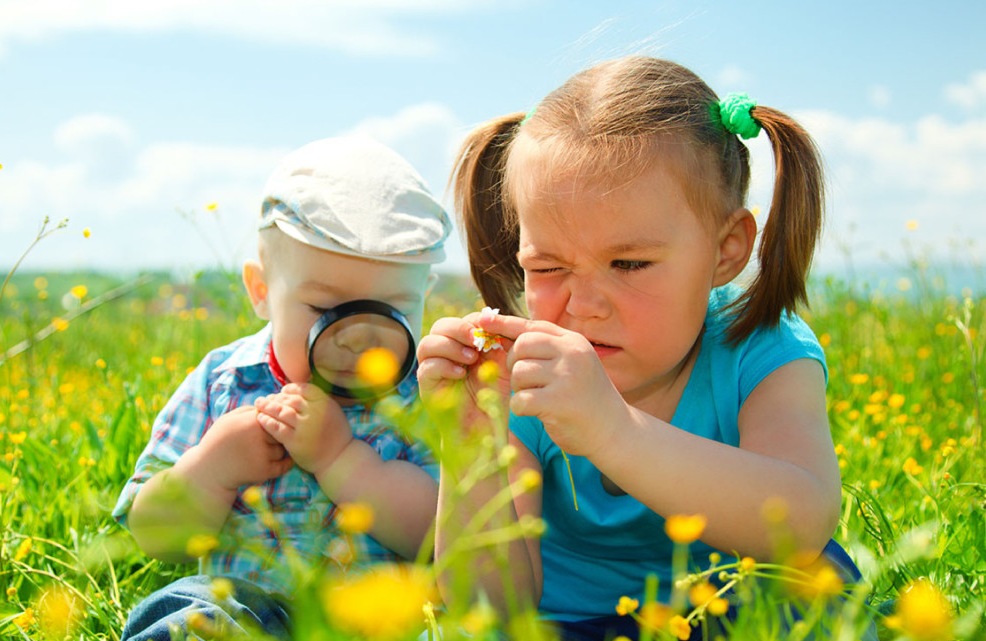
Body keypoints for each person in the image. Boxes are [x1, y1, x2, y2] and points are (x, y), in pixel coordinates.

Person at [417, 56, 875, 640]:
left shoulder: (759, 349)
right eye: (548, 267)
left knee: (818, 591)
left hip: (734, 617)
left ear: (726, 250)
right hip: (569, 626)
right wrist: (468, 442)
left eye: (629, 263)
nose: (585, 306)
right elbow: (489, 608)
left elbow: (803, 524)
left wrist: (612, 432)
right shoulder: (522, 378)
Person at [114, 136, 452, 641]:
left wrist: (343, 460)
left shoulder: (427, 394)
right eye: (325, 310)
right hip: (247, 617)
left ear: (424, 294)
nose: (358, 337)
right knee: (190, 609)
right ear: (261, 290)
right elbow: (154, 535)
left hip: (382, 621)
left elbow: (443, 539)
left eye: (393, 311)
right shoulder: (224, 380)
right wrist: (212, 466)